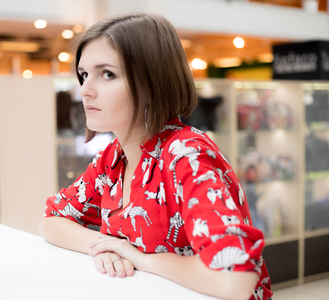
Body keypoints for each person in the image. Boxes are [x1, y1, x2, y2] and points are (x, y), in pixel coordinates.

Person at [39, 12, 272, 300]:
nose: (85, 90)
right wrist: (106, 245)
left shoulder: (187, 155)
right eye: (84, 75)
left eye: (107, 74)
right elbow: (51, 221)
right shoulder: (112, 159)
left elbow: (234, 279)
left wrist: (142, 259)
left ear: (152, 82)